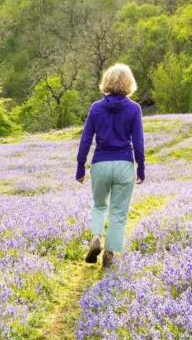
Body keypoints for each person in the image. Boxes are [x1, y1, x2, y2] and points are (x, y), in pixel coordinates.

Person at [75, 63, 145, 268]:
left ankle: (96, 237)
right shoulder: (134, 109)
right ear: (128, 83)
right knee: (118, 212)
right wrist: (141, 166)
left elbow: (86, 139)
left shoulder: (96, 108)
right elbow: (139, 142)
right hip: (124, 163)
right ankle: (109, 253)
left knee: (99, 206)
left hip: (101, 163)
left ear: (107, 81)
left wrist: (80, 165)